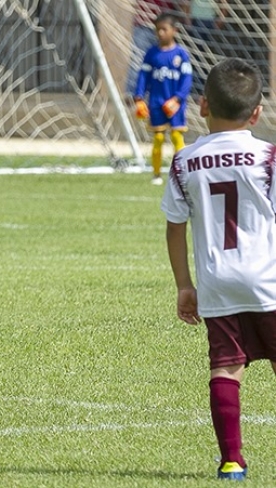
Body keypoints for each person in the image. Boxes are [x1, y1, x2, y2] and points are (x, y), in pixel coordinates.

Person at [161, 57, 272, 482]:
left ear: (202, 105)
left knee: (226, 367)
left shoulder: (184, 161)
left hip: (216, 283)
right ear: (257, 112)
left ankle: (232, 461)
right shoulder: (269, 157)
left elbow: (175, 228)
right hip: (268, 280)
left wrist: (184, 286)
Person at [134, 12, 192, 185]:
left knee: (176, 137)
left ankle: (182, 174)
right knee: (158, 138)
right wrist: (139, 97)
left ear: (174, 30)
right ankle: (157, 174)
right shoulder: (151, 53)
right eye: (157, 30)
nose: (160, 33)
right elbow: (143, 75)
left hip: (175, 103)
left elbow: (187, 79)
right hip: (156, 102)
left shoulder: (181, 54)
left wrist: (178, 99)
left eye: (164, 29)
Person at [125, 0, 176, 96]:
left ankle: (155, 93)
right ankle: (132, 94)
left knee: (161, 61)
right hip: (145, 22)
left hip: (165, 24)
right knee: (138, 59)